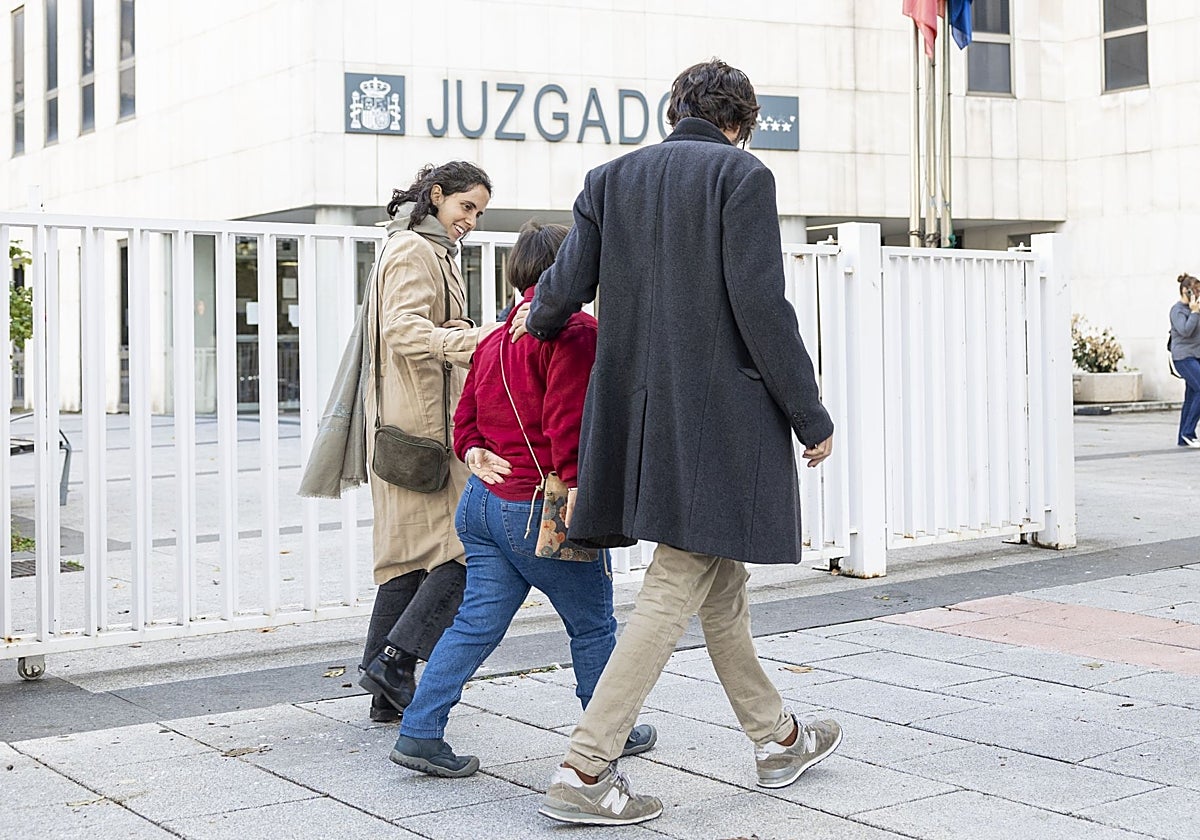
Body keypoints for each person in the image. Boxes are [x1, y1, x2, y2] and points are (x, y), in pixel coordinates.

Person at [513, 59, 840, 826]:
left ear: (675, 108)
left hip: (636, 417)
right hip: (720, 422)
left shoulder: (608, 179)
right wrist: (810, 415)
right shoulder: (742, 176)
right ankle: (587, 766)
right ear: (741, 119)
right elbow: (761, 306)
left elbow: (558, 293)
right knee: (676, 582)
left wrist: (543, 327)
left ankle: (778, 739)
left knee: (718, 587)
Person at [388, 221, 657, 777]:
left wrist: (472, 452)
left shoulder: (494, 336)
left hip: (483, 506)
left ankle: (419, 730)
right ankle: (611, 730)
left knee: (474, 625)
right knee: (592, 625)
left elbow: (465, 418)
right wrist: (579, 491)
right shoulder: (575, 331)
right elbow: (567, 420)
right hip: (541, 507)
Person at [354, 161, 499, 722]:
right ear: (436, 196)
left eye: (479, 213)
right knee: (468, 550)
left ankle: (384, 690)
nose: (472, 221)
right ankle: (394, 661)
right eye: (466, 207)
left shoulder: (415, 245)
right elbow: (403, 330)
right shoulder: (415, 250)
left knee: (406, 559)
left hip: (404, 428)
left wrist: (458, 331)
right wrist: (474, 341)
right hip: (425, 432)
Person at [1171, 272, 1200, 447]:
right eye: (1195, 292)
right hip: (1183, 357)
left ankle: (1183, 438)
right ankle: (1189, 432)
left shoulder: (1195, 308)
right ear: (1185, 291)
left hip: (1196, 357)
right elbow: (1185, 331)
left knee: (1191, 396)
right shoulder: (1177, 310)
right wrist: (1195, 313)